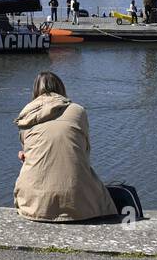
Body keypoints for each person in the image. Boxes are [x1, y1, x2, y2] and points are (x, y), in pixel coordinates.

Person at [13, 72, 119, 223]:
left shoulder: (26, 116)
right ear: (61, 88)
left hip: (33, 205)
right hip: (79, 205)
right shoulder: (78, 111)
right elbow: (84, 151)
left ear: (35, 91)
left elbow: (33, 152)